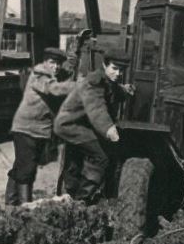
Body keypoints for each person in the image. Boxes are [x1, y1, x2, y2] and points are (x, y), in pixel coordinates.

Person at [54, 50, 133, 204]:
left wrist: (126, 90)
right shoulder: (94, 82)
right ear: (104, 65)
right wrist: (109, 130)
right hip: (70, 125)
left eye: (122, 70)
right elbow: (97, 109)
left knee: (76, 160)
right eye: (115, 68)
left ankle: (69, 196)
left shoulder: (106, 80)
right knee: (101, 157)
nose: (118, 73)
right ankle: (82, 199)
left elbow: (113, 90)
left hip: (81, 125)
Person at [6, 47, 77, 205]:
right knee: (27, 169)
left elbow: (65, 72)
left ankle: (10, 205)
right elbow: (55, 89)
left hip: (38, 130)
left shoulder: (53, 74)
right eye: (52, 62)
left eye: (58, 64)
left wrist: (73, 60)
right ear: (45, 62)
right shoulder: (40, 75)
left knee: (21, 165)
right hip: (26, 128)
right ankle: (26, 206)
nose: (55, 67)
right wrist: (81, 85)